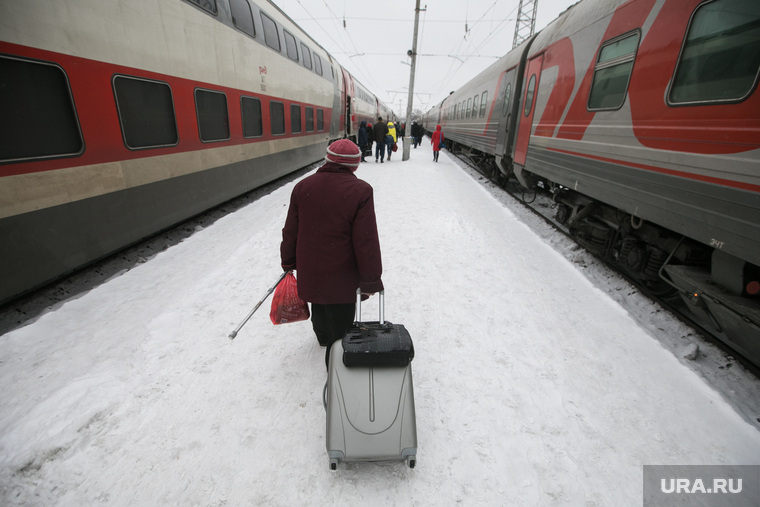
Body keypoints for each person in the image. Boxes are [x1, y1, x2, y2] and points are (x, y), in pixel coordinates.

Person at [280, 139, 384, 368]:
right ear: (354, 166)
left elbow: (291, 230)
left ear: (327, 159)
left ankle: (323, 337)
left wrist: (288, 261)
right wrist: (371, 279)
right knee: (340, 320)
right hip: (342, 271)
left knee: (319, 301)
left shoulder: (303, 186)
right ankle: (336, 370)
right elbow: (366, 240)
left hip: (311, 267)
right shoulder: (361, 191)